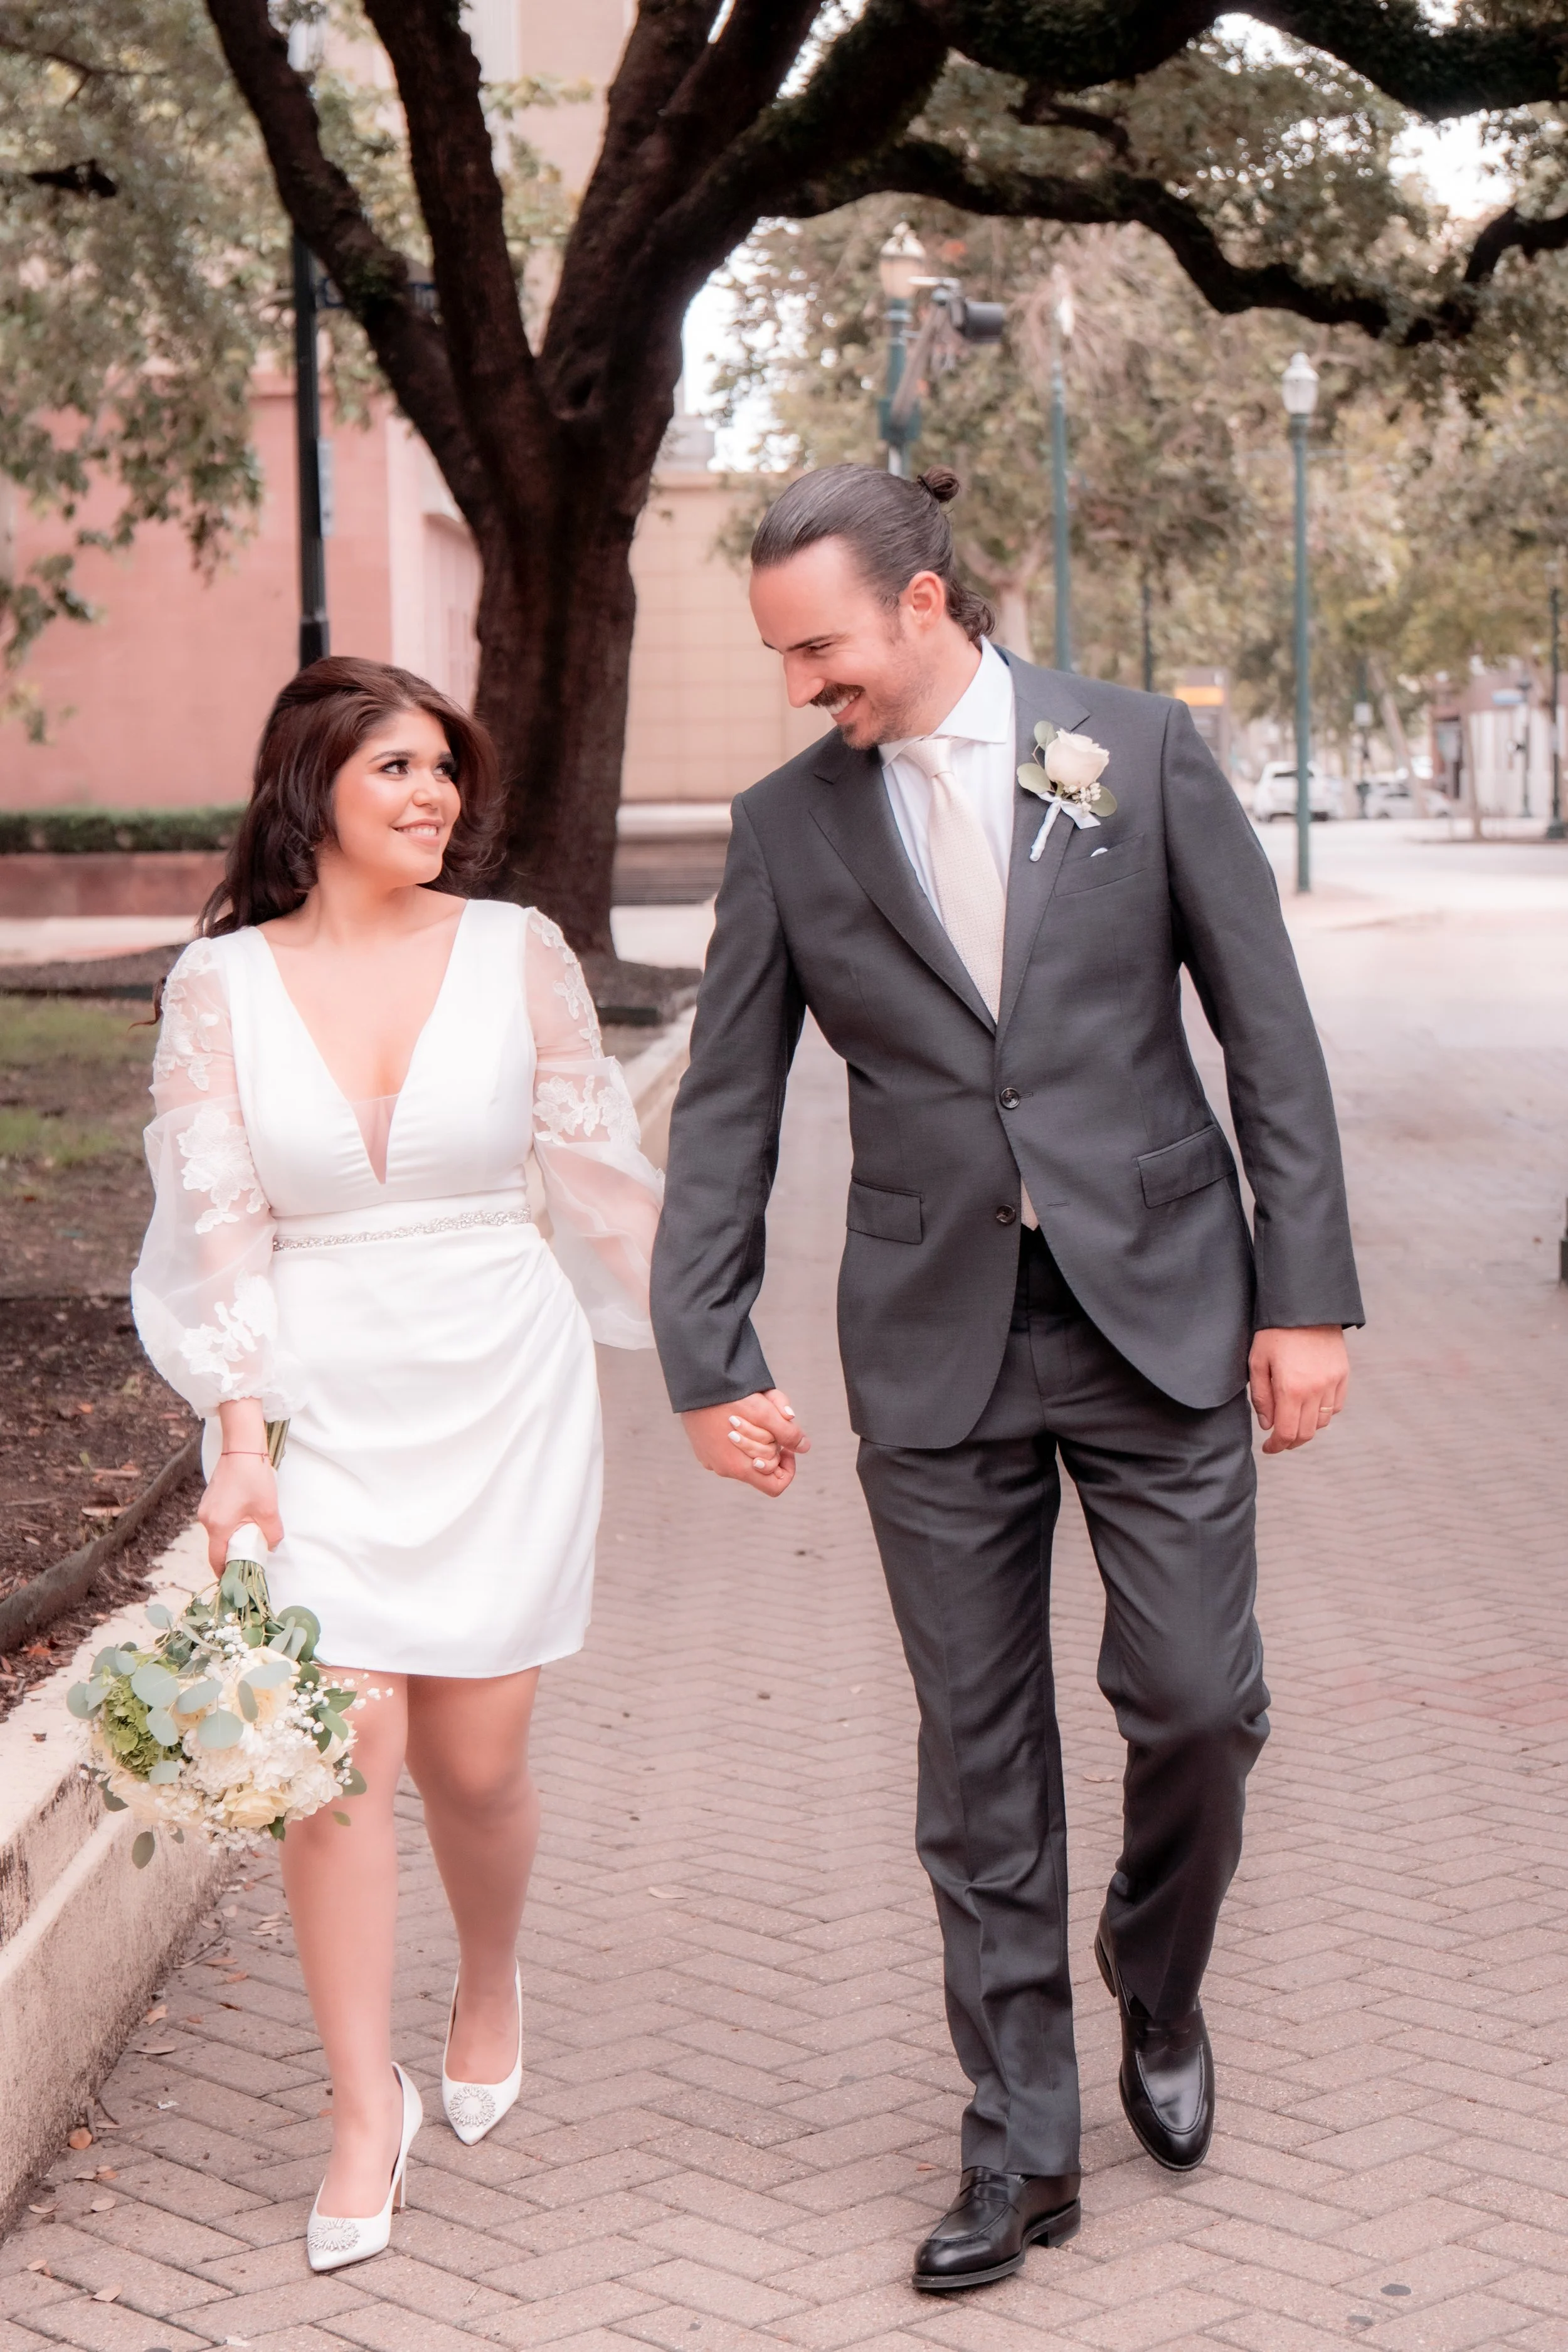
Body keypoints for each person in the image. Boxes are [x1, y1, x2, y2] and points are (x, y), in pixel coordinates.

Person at [650, 466, 1362, 2294]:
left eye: (821, 647)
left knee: (1200, 1700)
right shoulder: (789, 828)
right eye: (781, 655)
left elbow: (1262, 1031)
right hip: (933, 1333)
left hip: (1163, 1305)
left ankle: (1159, 1968)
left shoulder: (1126, 751)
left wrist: (1309, 1297)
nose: (806, 684)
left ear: (928, 604)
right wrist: (703, 1346)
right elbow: (726, 1103)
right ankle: (1022, 2143)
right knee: (977, 1768)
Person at [132, 657, 664, 2272]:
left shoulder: (521, 954)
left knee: (475, 1763)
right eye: (399, 770)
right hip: (318, 1390)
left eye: (446, 768)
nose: (438, 795)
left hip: (500, 1376)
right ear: (314, 792)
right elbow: (221, 1222)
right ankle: (365, 2108)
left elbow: (599, 1171)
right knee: (341, 1751)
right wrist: (236, 1443)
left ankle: (487, 1977)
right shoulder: (216, 984)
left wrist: (720, 1364)